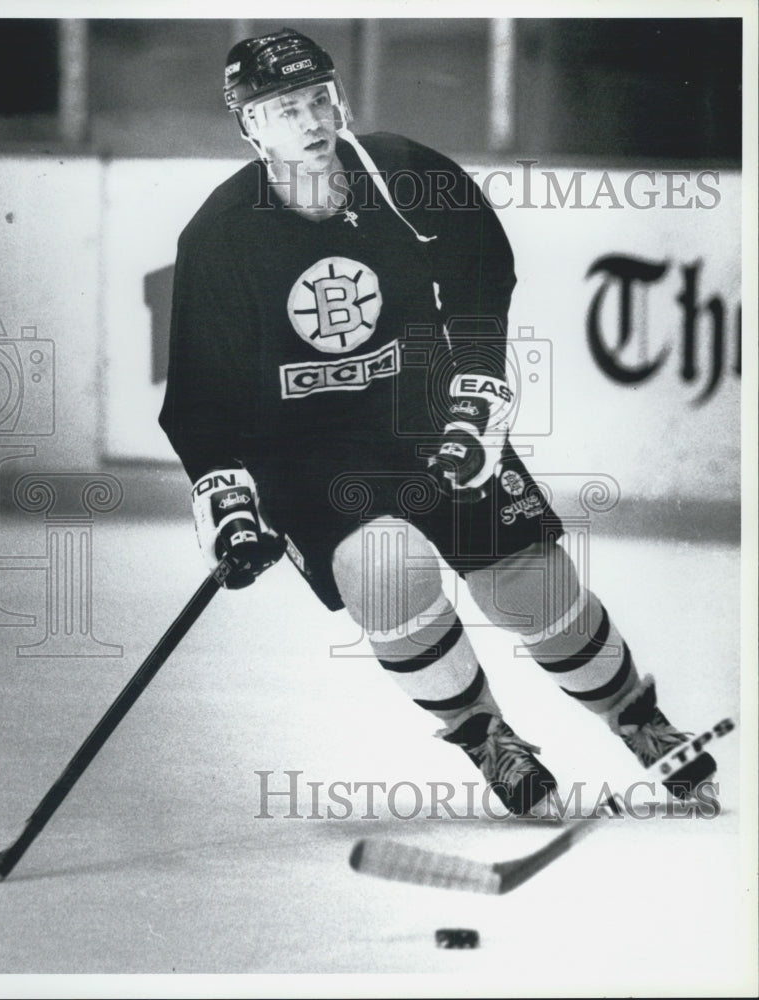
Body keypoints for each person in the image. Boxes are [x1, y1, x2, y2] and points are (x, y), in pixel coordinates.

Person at [159, 27, 716, 816]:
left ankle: (642, 722)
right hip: (309, 451)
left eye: (319, 98)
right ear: (249, 126)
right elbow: (200, 400)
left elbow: (484, 285)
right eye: (284, 109)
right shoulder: (219, 238)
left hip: (425, 415)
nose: (311, 121)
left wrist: (475, 399)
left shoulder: (408, 174)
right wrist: (230, 506)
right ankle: (486, 735)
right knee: (386, 570)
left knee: (534, 588)